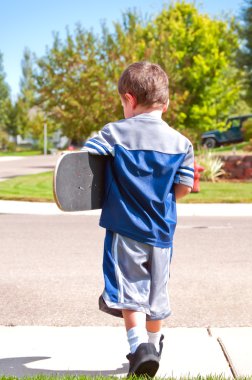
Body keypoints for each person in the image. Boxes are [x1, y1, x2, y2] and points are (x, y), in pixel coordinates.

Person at [82, 61, 194, 377]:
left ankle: (138, 348)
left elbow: (87, 164)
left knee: (130, 291)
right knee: (156, 292)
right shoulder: (181, 143)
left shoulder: (114, 133)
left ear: (129, 100)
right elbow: (183, 189)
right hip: (162, 233)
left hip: (125, 230)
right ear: (166, 103)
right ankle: (155, 345)